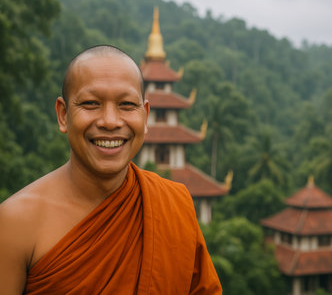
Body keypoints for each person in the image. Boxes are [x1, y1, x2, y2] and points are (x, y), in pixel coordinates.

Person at [0, 45, 222, 294]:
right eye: (91, 103)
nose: (110, 121)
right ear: (63, 115)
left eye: (126, 104)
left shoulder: (173, 206)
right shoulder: (16, 222)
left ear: (145, 116)